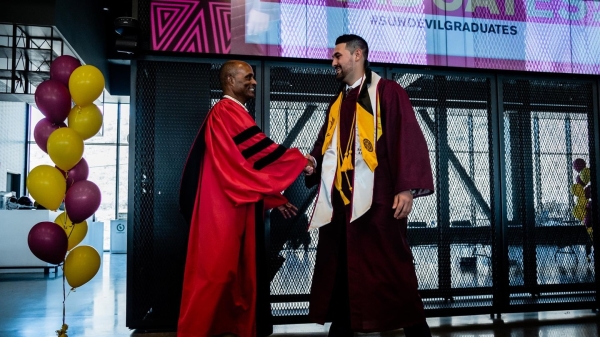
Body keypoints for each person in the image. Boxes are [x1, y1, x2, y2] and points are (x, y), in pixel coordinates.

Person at [304, 35, 435, 336]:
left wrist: (406, 187)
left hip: (378, 207)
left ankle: (418, 333)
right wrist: (313, 163)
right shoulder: (337, 104)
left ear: (357, 55)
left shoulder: (387, 93)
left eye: (338, 56)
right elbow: (326, 149)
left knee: (393, 273)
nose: (333, 62)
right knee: (343, 273)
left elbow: (406, 137)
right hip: (341, 209)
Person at [178, 60, 314, 337]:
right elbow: (258, 151)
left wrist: (275, 197)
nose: (254, 82)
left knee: (235, 275)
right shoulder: (227, 111)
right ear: (230, 80)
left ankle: (229, 328)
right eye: (248, 77)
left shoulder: (229, 113)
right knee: (215, 274)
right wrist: (300, 159)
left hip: (232, 204)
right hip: (222, 208)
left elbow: (246, 163)